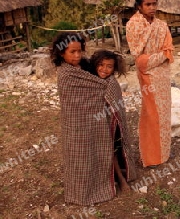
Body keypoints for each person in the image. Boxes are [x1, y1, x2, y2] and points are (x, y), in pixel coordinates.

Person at [51, 32, 136, 205]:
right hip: (77, 124)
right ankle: (86, 190)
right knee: (82, 156)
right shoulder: (66, 75)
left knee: (106, 147)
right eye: (72, 52)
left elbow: (103, 79)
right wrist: (105, 86)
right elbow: (89, 92)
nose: (77, 55)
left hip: (99, 119)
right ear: (61, 53)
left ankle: (114, 178)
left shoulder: (85, 66)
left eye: (79, 51)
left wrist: (108, 84)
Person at [125, 0, 174, 168]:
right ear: (139, 6)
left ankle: (163, 154)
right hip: (147, 77)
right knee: (151, 114)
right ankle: (149, 156)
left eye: (154, 4)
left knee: (164, 113)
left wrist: (156, 58)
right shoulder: (133, 25)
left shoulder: (162, 25)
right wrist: (161, 57)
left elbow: (169, 49)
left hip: (163, 76)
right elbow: (139, 59)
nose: (152, 8)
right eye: (148, 4)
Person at [90, 49, 136, 192]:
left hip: (110, 124)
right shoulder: (89, 80)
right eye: (101, 65)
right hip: (93, 125)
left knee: (112, 151)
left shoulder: (111, 83)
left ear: (114, 68)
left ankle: (121, 180)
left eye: (109, 66)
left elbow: (117, 105)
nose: (104, 69)